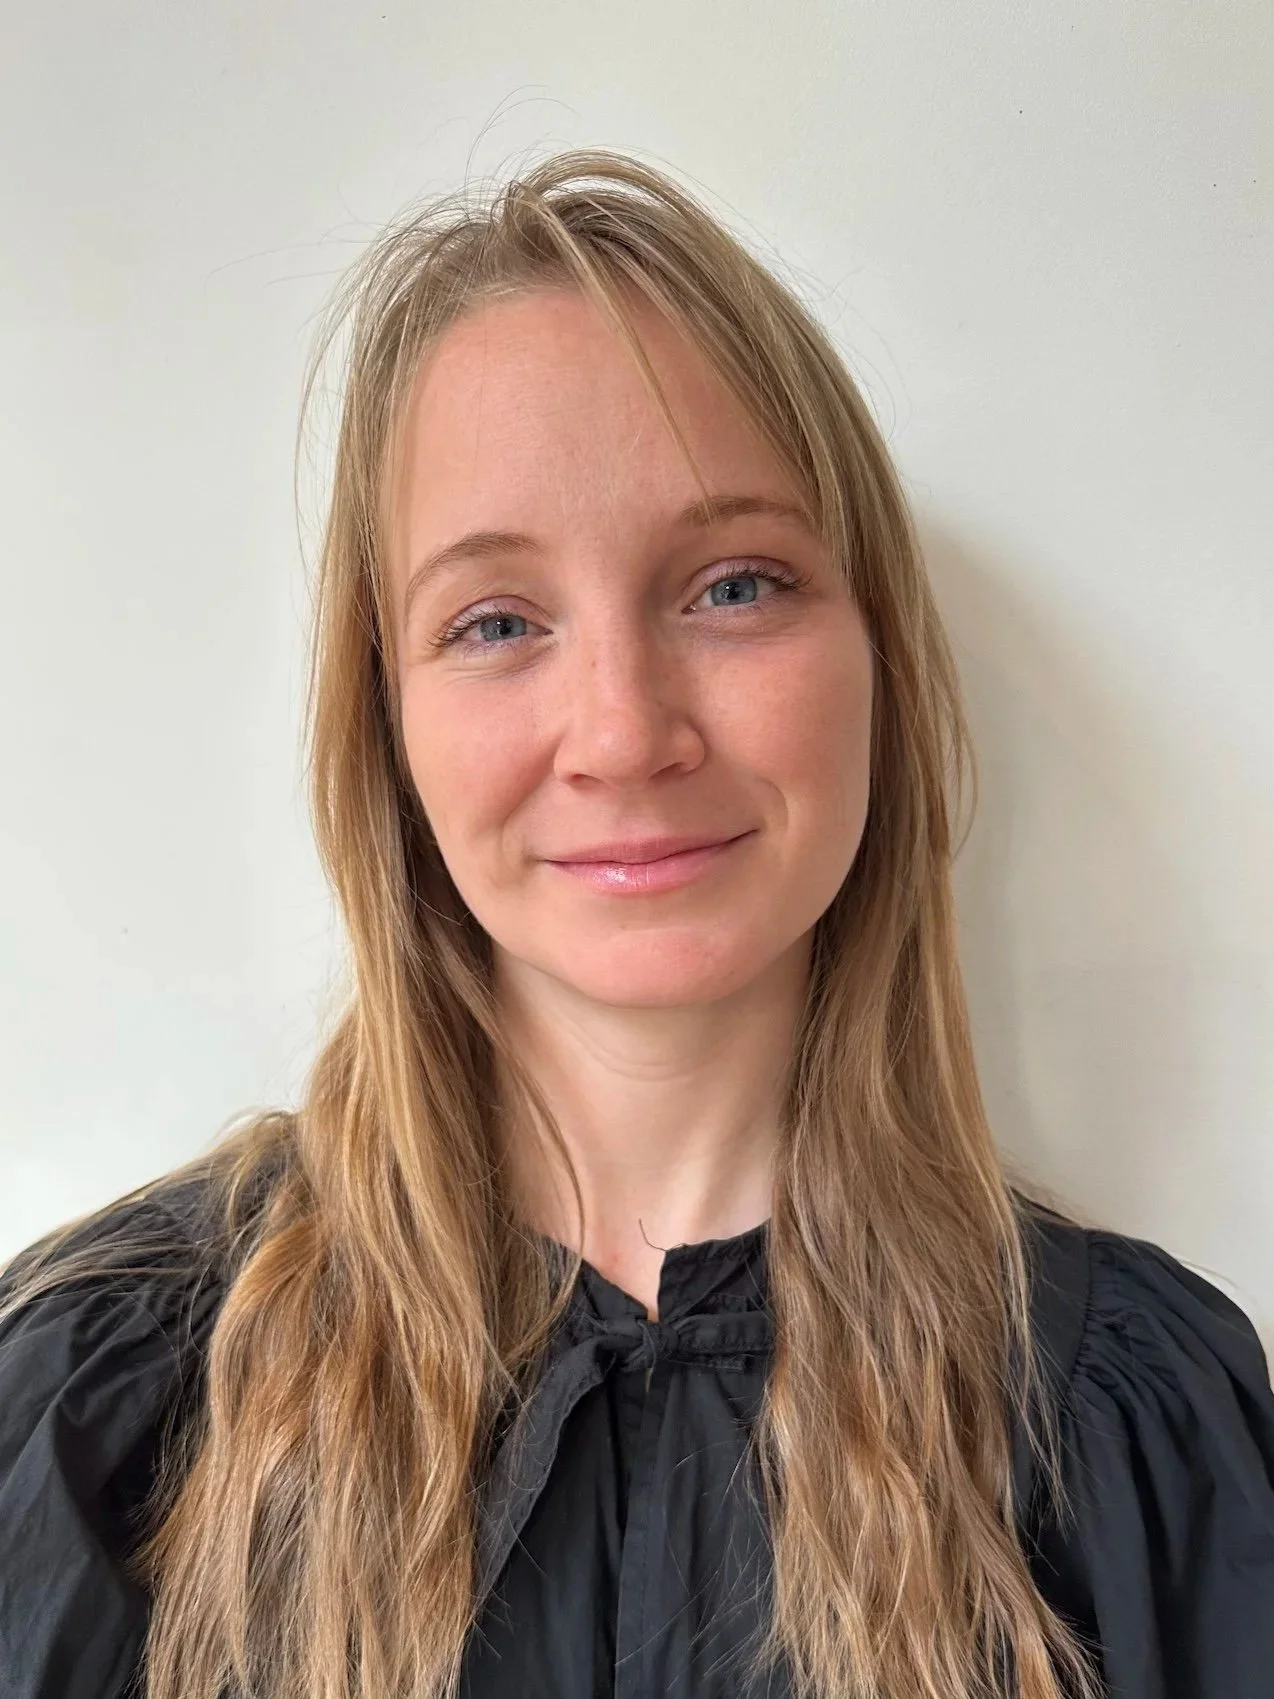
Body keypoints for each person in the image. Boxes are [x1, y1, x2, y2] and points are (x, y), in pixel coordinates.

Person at [1, 147, 1271, 1699]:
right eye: (496, 621)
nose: (621, 730)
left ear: (874, 655)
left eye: (732, 586)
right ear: (384, 725)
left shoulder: (1128, 1422)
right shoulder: (104, 1399)